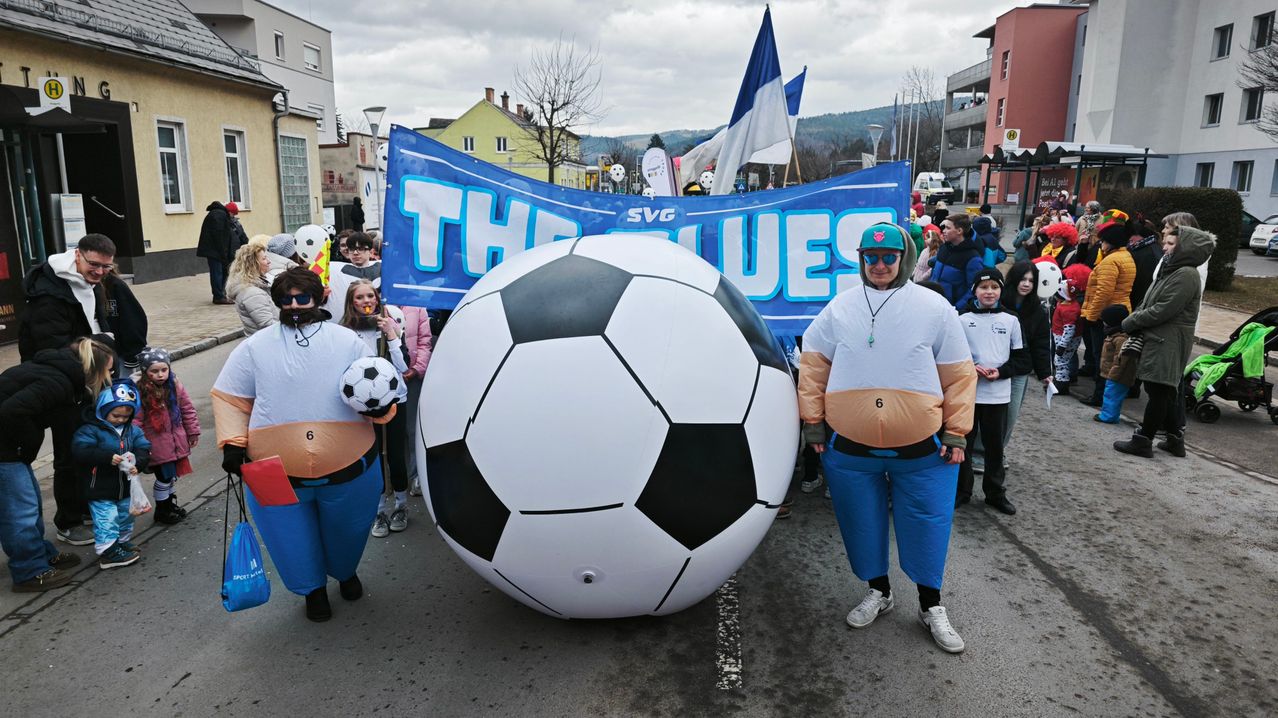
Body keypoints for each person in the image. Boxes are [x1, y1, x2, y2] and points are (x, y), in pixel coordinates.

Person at [799, 221, 976, 654]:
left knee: (929, 525)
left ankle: (930, 605)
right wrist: (813, 423)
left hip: (923, 451)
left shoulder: (934, 308)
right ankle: (879, 591)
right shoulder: (840, 307)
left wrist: (956, 432)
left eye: (888, 257)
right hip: (851, 450)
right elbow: (813, 365)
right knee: (861, 523)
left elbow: (958, 376)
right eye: (871, 258)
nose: (879, 266)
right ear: (861, 260)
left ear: (905, 259)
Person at [213, 268, 390, 621]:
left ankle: (345, 571)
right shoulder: (255, 347)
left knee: (349, 529)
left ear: (318, 298)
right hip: (274, 471)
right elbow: (231, 397)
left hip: (349, 466)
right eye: (286, 300)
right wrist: (233, 443)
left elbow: (374, 389)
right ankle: (312, 590)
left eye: (301, 298)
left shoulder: (347, 341)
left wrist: (383, 407)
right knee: (289, 538)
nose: (294, 306)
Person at [18, 233, 120, 546]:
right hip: (62, 385)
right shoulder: (50, 295)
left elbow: (93, 324)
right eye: (94, 265)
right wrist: (103, 345)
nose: (100, 272)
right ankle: (69, 521)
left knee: (91, 447)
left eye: (106, 267)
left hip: (88, 380)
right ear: (77, 255)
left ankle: (86, 507)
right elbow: (51, 350)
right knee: (69, 452)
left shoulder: (89, 283)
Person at [0, 338, 113, 591]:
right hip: (5, 448)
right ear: (92, 368)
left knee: (30, 502)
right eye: (108, 370)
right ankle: (29, 571)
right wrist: (25, 444)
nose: (111, 375)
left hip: (9, 447)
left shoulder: (61, 374)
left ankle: (39, 553)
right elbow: (10, 412)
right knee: (20, 510)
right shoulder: (58, 382)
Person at [1113, 226, 1215, 458]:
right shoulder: (1173, 270)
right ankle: (1174, 440)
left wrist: (1130, 322)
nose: (1164, 247)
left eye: (1170, 244)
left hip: (1167, 340)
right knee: (1163, 390)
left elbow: (1162, 310)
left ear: (1185, 248)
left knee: (1159, 390)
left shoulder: (1186, 274)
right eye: (1165, 243)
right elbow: (1149, 301)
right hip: (1159, 338)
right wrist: (1135, 318)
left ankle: (1143, 440)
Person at [338, 280, 412, 537]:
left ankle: (401, 505)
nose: (367, 301)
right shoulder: (344, 331)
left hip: (394, 402)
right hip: (362, 407)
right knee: (372, 458)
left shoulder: (390, 325)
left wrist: (392, 335)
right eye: (360, 297)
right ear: (351, 302)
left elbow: (403, 367)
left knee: (394, 455)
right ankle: (378, 510)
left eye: (371, 295)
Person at [955, 268, 1023, 515]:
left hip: (998, 396)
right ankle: (962, 491)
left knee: (995, 447)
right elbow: (953, 356)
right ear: (974, 290)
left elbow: (1021, 359)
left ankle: (995, 493)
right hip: (969, 395)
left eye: (995, 287)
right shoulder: (962, 320)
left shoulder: (1011, 320)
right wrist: (972, 368)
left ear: (1001, 290)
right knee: (964, 443)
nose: (989, 292)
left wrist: (1001, 372)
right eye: (984, 287)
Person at [72, 379, 151, 569]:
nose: (121, 420)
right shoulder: (91, 430)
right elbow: (80, 450)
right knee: (106, 518)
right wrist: (106, 456)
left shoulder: (133, 430)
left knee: (125, 515)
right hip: (99, 486)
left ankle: (121, 542)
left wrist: (138, 463)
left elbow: (144, 448)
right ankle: (108, 551)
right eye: (116, 415)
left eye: (126, 416)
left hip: (125, 485)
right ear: (103, 410)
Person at [132, 348, 200, 524]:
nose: (160, 374)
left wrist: (192, 431)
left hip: (175, 440)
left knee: (171, 476)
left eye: (164, 370)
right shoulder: (140, 392)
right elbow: (136, 422)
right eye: (154, 371)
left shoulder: (175, 386)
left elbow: (187, 409)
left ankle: (170, 504)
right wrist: (140, 445)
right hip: (156, 444)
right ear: (146, 372)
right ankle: (162, 509)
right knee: (164, 477)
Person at [1079, 220, 1137, 406]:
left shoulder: (1109, 262)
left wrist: (1091, 316)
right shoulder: (1126, 256)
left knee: (1101, 357)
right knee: (1111, 356)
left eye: (1102, 241)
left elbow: (1103, 292)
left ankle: (1098, 395)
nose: (1100, 244)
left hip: (1106, 314)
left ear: (1109, 242)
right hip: (1121, 309)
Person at [400, 305, 434, 497]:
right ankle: (396, 479)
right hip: (383, 379)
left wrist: (416, 369)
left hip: (411, 377)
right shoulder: (377, 301)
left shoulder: (417, 307)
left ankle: (416, 476)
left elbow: (424, 341)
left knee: (412, 428)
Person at [1049, 263, 1091, 396]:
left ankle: (1061, 385)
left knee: (1060, 362)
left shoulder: (1069, 309)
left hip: (1064, 340)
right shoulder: (1068, 304)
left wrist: (1062, 345)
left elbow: (1069, 329)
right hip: (1064, 338)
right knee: (1063, 362)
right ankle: (1061, 382)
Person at [1094, 305, 1138, 424]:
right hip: (1114, 373)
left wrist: (1114, 373)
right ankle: (1110, 414)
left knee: (1112, 395)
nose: (1103, 323)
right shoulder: (1114, 335)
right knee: (1112, 394)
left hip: (1118, 374)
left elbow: (1121, 359)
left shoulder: (1120, 338)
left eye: (1105, 321)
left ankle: (1108, 416)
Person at [929, 213, 983, 308]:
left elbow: (974, 289)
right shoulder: (944, 248)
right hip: (933, 302)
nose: (943, 231)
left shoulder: (972, 257)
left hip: (952, 309)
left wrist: (957, 308)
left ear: (959, 231)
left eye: (948, 228)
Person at [226, 241, 278, 336]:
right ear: (253, 264)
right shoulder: (252, 293)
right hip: (265, 343)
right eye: (264, 259)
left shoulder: (254, 286)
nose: (268, 261)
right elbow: (268, 325)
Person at [197, 201, 241, 305]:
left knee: (219, 272)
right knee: (217, 273)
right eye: (233, 214)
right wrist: (223, 253)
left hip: (214, 249)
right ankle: (218, 296)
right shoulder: (219, 216)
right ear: (230, 212)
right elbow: (219, 237)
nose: (233, 217)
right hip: (214, 250)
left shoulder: (218, 214)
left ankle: (220, 294)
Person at [1126, 217, 1164, 309]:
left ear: (1143, 234)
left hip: (1139, 303)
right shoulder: (1141, 248)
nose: (1130, 238)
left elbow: (1144, 284)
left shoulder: (1149, 253)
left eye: (1133, 234)